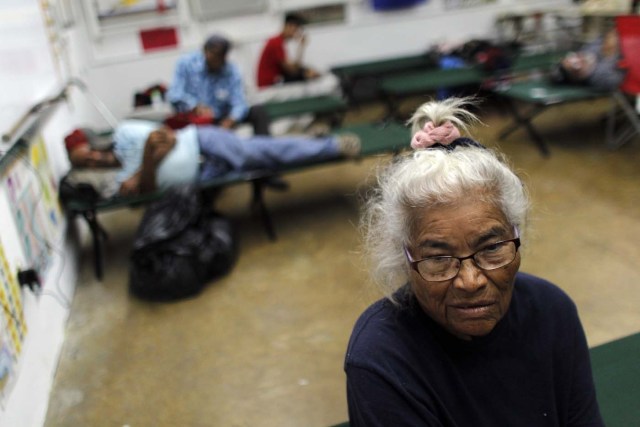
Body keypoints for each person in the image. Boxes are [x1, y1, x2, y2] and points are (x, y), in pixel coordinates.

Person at [344, 97, 604, 426]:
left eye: (491, 248)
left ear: (516, 236)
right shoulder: (382, 357)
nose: (471, 281)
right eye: (438, 257)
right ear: (404, 257)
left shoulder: (553, 312)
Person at [63, 120, 361, 198]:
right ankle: (313, 139)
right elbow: (149, 191)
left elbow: (169, 137)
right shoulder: (116, 181)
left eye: (88, 151)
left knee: (259, 154)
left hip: (202, 141)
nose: (93, 159)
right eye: (85, 162)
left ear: (94, 141)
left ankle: (334, 146)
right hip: (203, 174)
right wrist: (148, 163)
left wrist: (142, 169)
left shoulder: (126, 133)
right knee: (266, 154)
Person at [166, 34, 270, 135]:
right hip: (195, 119)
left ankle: (265, 148)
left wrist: (232, 119)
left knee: (258, 111)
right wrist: (195, 107)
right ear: (205, 51)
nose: (216, 59)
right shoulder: (186, 64)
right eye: (213, 54)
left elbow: (239, 101)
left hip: (221, 118)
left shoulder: (232, 71)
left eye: (220, 55)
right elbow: (174, 94)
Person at [256, 12, 321, 88]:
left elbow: (294, 67)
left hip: (274, 80)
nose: (296, 33)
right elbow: (292, 71)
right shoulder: (276, 43)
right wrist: (301, 47)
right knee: (305, 75)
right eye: (295, 30)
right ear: (288, 26)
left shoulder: (278, 42)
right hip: (269, 84)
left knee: (305, 71)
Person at [550, 29, 624, 91]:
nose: (578, 58)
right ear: (577, 77)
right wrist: (612, 54)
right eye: (575, 64)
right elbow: (622, 77)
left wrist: (610, 36)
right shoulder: (599, 80)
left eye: (571, 56)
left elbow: (604, 37)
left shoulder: (586, 51)